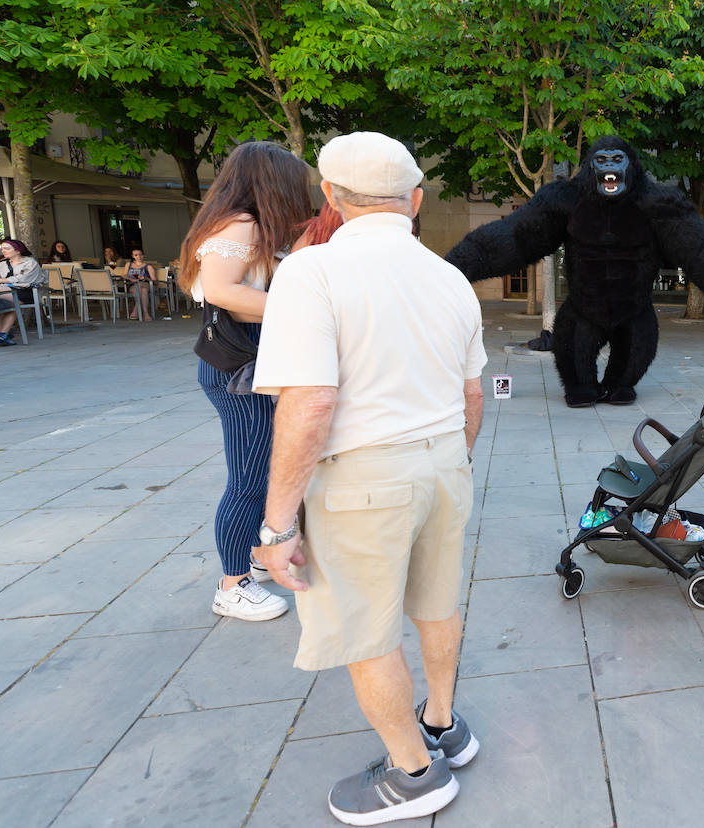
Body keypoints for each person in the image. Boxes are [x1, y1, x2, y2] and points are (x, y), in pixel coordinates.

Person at [252, 132, 486, 826]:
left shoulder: (310, 272)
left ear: (330, 196)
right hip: (445, 457)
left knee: (367, 629)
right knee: (438, 601)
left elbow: (310, 402)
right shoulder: (449, 278)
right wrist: (454, 460)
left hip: (362, 474)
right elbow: (473, 395)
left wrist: (276, 523)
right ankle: (442, 723)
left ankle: (414, 772)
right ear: (415, 200)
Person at [178, 141, 312, 622]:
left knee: (266, 472)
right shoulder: (241, 224)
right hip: (238, 370)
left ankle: (256, 558)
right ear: (271, 182)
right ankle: (232, 584)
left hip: (248, 365)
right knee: (250, 481)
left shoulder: (244, 224)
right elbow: (220, 291)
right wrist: (302, 307)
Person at [0, 239, 42, 345]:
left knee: (10, 304)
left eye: (7, 248)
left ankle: (2, 334)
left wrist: (3, 280)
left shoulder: (30, 263)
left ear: (18, 251)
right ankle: (1, 335)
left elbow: (25, 279)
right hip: (5, 293)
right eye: (2, 248)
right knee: (4, 303)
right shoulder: (1, 264)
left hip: (26, 292)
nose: (3, 251)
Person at [124, 248, 157, 321]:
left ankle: (136, 311)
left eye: (140, 255)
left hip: (146, 284)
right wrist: (131, 279)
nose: (139, 257)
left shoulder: (148, 267)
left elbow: (155, 282)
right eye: (136, 255)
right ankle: (145, 313)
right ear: (132, 256)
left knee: (140, 284)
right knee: (143, 291)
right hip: (133, 285)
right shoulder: (128, 264)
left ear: (143, 256)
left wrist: (145, 277)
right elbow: (124, 275)